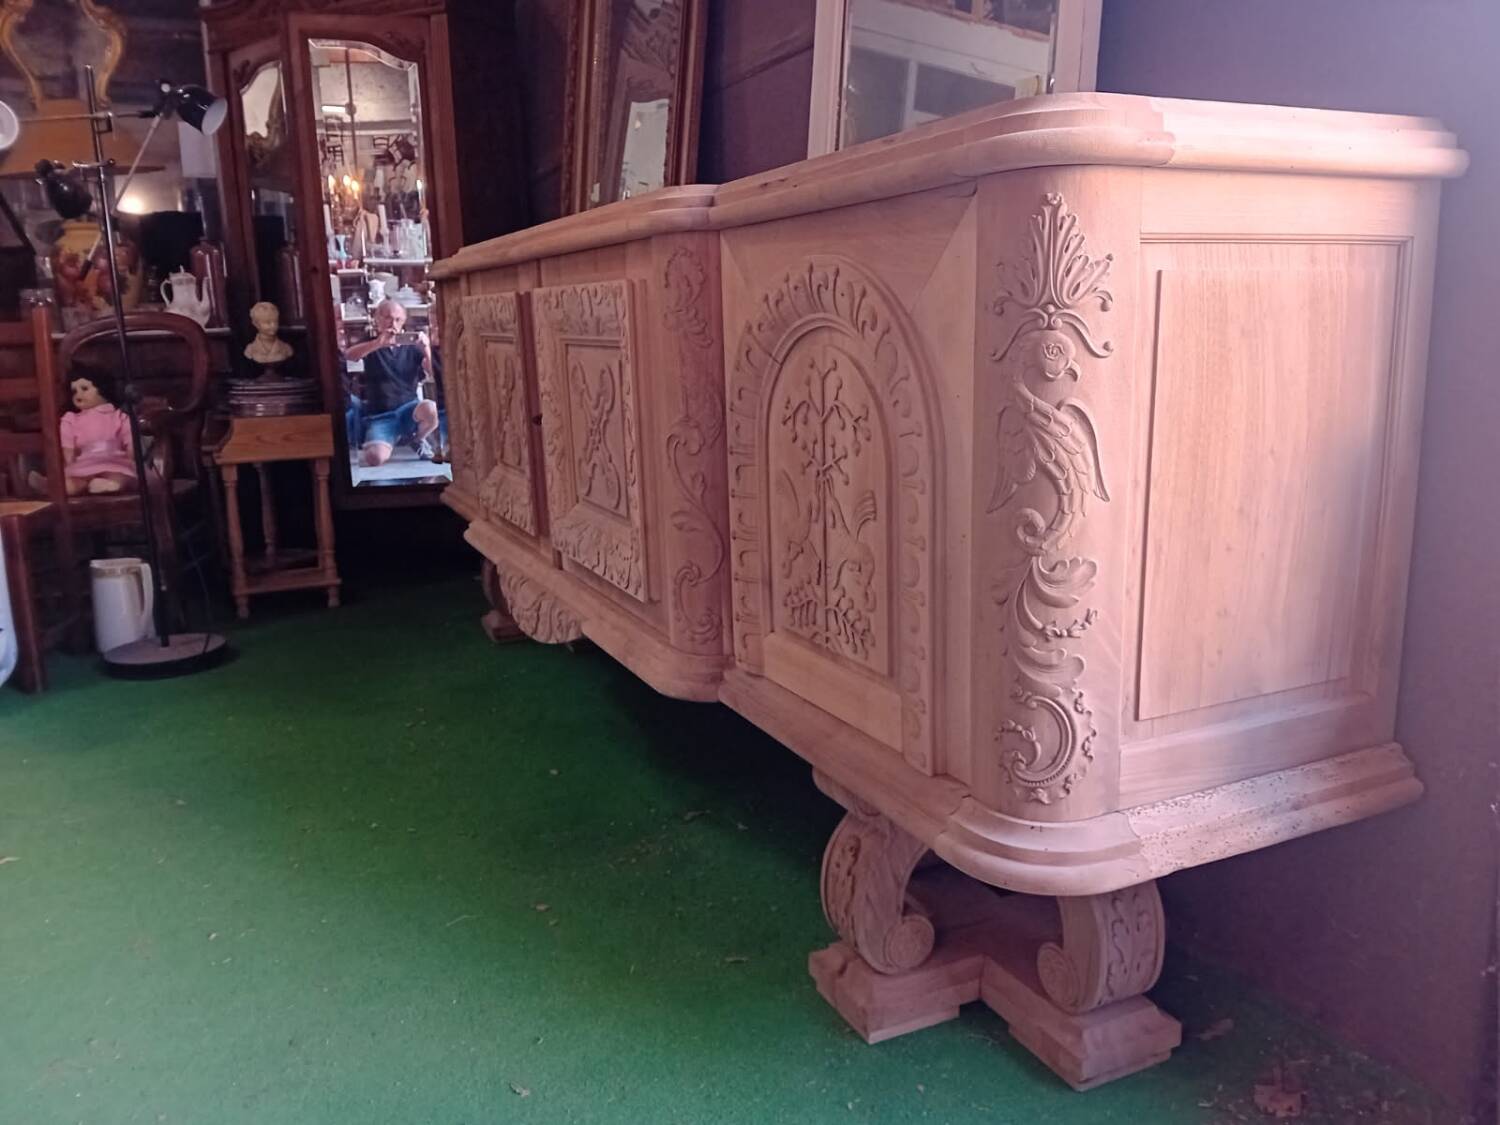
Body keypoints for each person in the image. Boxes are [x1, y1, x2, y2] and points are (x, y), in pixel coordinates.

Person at [344, 298, 437, 466]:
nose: (392, 323)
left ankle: (417, 439)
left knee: (430, 409)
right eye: (387, 317)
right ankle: (393, 438)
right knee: (374, 458)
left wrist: (427, 349)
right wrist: (377, 343)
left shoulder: (412, 345)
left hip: (409, 409)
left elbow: (433, 374)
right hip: (380, 415)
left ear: (404, 322)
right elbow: (349, 356)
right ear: (377, 319)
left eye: (397, 319)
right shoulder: (370, 343)